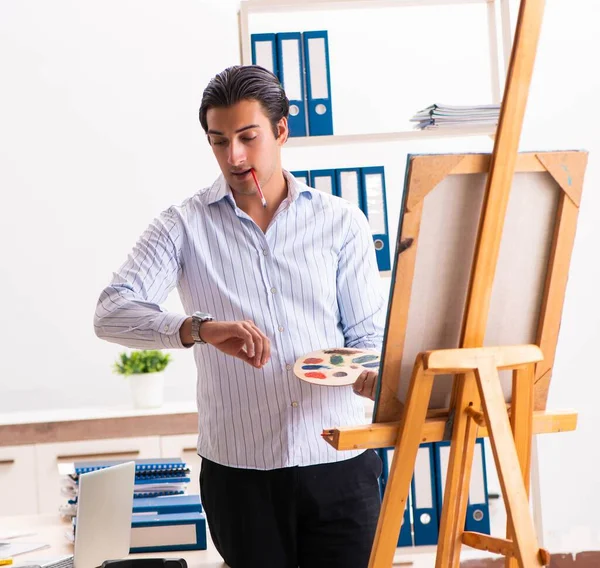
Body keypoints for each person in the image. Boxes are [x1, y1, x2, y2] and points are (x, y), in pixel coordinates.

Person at [94, 64, 387, 568]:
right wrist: (198, 329)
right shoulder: (182, 227)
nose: (234, 156)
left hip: (341, 465)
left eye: (248, 137)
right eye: (219, 140)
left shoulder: (342, 223)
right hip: (240, 476)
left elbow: (365, 336)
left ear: (281, 130)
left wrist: (372, 376)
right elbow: (111, 311)